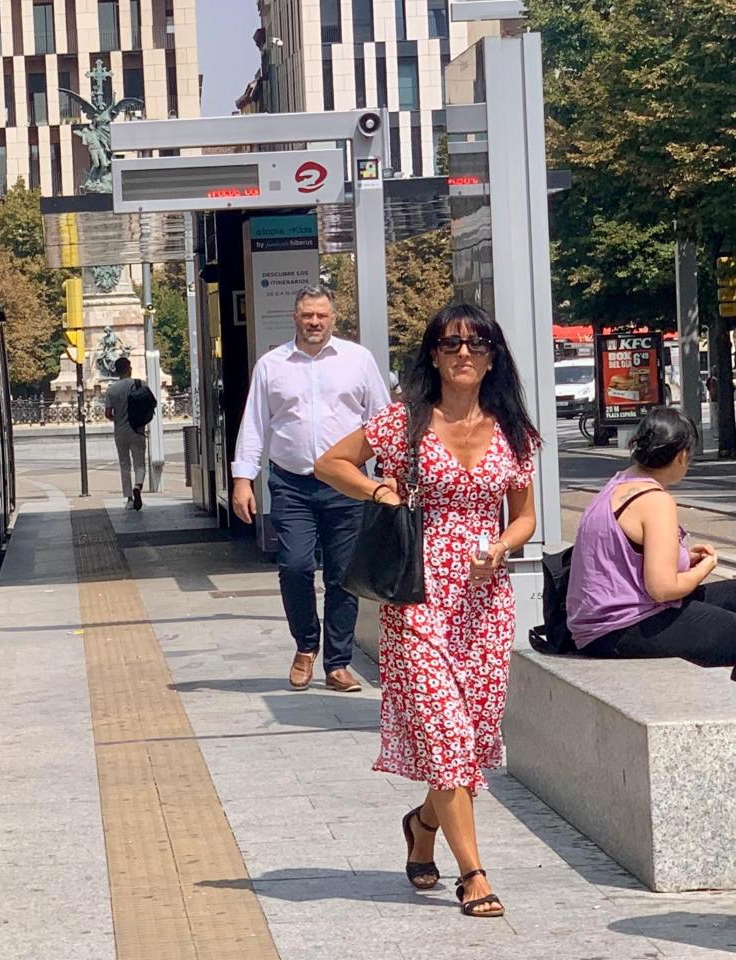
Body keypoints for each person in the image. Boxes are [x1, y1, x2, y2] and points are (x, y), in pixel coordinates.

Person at [315, 302, 541, 919]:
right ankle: (474, 873)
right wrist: (378, 487)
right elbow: (330, 462)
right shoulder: (403, 423)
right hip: (417, 591)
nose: (463, 354)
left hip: (484, 601)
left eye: (475, 344)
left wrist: (501, 545)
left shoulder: (514, 429)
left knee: (468, 735)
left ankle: (421, 824)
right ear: (433, 355)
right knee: (445, 734)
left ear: (493, 355)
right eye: (450, 344)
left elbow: (524, 514)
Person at [232, 284, 393, 693]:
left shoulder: (358, 360)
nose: (314, 322)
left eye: (321, 315)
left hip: (347, 484)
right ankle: (306, 644)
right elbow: (254, 424)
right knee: (295, 566)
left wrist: (389, 473)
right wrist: (241, 479)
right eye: (307, 315)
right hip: (291, 483)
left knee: (343, 576)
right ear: (295, 317)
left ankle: (337, 663)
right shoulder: (272, 364)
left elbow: (382, 420)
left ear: (334, 318)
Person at [567, 407, 735, 666]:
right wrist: (706, 567)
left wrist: (681, 558)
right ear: (681, 456)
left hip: (601, 624)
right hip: (621, 627)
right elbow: (663, 589)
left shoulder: (618, 485)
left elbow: (625, 557)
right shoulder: (656, 501)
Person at [104, 356, 147, 510]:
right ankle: (138, 485)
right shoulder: (140, 384)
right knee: (140, 463)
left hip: (120, 431)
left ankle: (129, 498)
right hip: (137, 429)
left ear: (116, 371)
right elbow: (150, 404)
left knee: (124, 464)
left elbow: (108, 413)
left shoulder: (112, 390)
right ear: (129, 368)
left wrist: (118, 418)